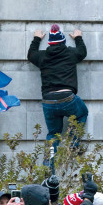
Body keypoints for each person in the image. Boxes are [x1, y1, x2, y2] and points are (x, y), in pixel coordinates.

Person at [28, 25, 89, 159]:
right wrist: (78, 37)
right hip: (67, 98)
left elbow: (31, 55)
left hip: (48, 101)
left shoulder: (43, 56)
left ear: (49, 42)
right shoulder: (71, 53)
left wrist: (36, 39)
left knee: (53, 134)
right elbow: (82, 52)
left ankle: (49, 170)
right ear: (63, 41)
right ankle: (73, 143)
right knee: (82, 112)